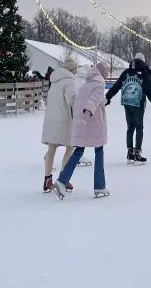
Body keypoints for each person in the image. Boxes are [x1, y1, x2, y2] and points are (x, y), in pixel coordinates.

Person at [54, 62, 111, 200]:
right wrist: (86, 117)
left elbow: (88, 100)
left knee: (78, 151)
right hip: (93, 124)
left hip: (81, 124)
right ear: (102, 75)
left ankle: (62, 181)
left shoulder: (88, 83)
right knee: (99, 152)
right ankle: (99, 186)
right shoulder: (99, 84)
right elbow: (91, 103)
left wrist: (102, 101)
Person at [105, 53, 151, 164]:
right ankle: (137, 153)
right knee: (139, 127)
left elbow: (116, 86)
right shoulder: (144, 73)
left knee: (130, 127)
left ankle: (130, 153)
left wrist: (107, 97)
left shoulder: (126, 72)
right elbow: (149, 89)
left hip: (126, 102)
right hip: (138, 103)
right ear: (143, 61)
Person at [41, 57, 78, 193]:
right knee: (70, 147)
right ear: (71, 70)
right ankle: (64, 178)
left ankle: (47, 179)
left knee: (52, 147)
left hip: (51, 118)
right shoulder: (69, 81)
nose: (76, 72)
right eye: (75, 69)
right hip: (65, 119)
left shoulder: (54, 81)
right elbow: (72, 100)